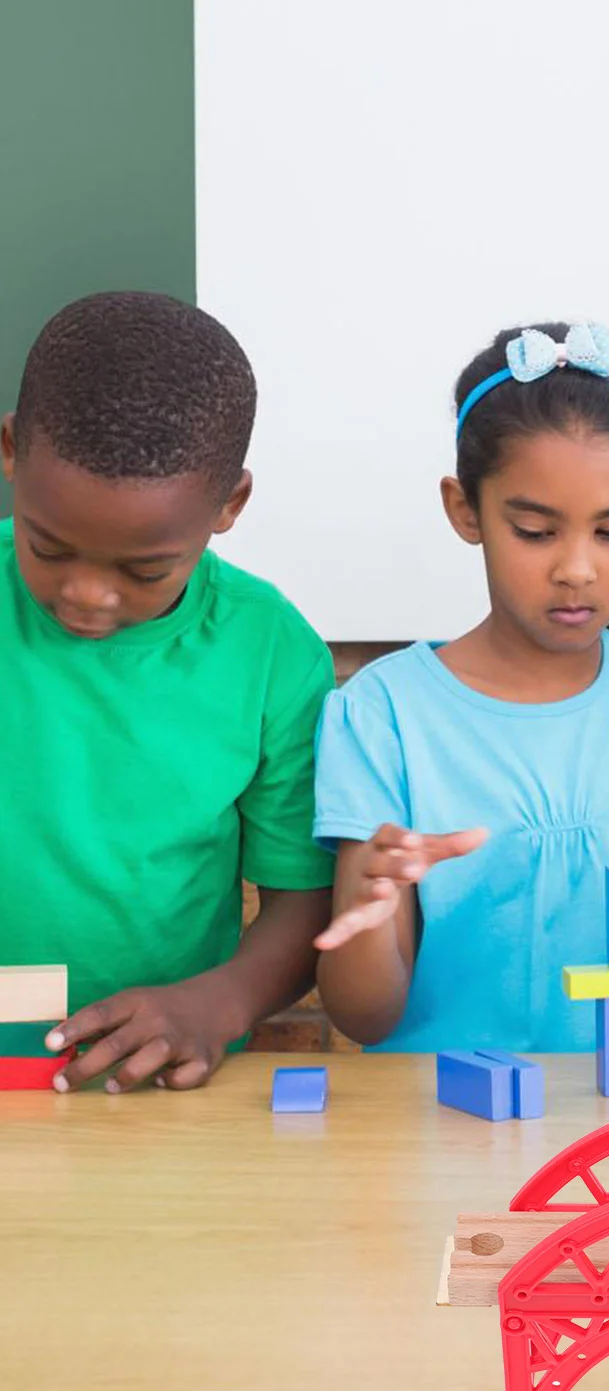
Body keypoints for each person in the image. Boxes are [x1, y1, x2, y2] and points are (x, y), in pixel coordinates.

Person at [313, 321, 609, 1052]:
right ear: (466, 510)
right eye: (535, 530)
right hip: (438, 1131)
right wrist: (366, 905)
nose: (577, 570)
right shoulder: (383, 712)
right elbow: (363, 1016)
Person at [0, 291, 334, 1091]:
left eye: (144, 571)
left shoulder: (272, 654)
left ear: (230, 505)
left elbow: (303, 902)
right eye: (49, 549)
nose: (87, 596)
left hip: (160, 1087)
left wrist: (218, 1002)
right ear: (8, 451)